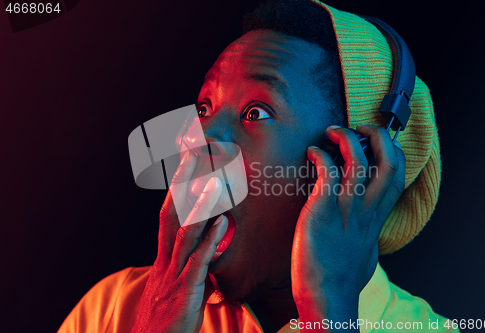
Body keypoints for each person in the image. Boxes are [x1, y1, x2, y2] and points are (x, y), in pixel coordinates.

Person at [58, 0, 457, 332]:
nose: (194, 138)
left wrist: (329, 315)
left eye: (255, 112)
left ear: (354, 165)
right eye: (204, 107)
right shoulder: (109, 311)